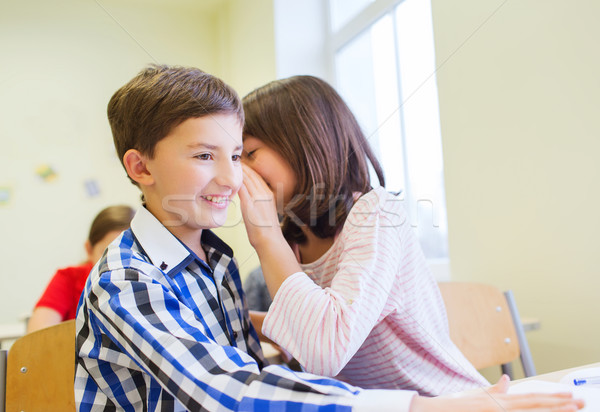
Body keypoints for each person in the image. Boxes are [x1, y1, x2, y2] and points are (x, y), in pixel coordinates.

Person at [74, 64, 583, 412]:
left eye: (241, 154)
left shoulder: (363, 215)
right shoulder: (134, 275)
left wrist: (265, 245)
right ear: (141, 167)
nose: (234, 178)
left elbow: (301, 351)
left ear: (304, 144)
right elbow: (231, 382)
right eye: (210, 156)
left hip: (446, 399)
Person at [238, 75, 488, 394]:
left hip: (449, 400)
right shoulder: (292, 244)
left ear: (305, 142)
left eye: (250, 153)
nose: (238, 172)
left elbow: (325, 349)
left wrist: (265, 237)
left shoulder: (376, 213)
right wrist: (241, 318)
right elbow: (305, 330)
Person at [27, 205, 134, 333]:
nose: (119, 265)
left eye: (129, 255)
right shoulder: (68, 279)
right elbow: (38, 337)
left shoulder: (151, 283)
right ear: (89, 250)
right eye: (108, 254)